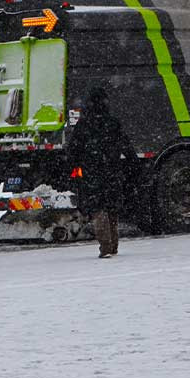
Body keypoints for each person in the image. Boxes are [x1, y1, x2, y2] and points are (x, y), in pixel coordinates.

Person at [65, 85, 137, 259]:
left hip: (91, 172)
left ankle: (105, 247)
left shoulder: (83, 124)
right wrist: (132, 162)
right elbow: (125, 144)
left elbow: (74, 149)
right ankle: (113, 246)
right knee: (112, 208)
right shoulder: (113, 122)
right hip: (112, 170)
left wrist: (72, 167)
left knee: (98, 209)